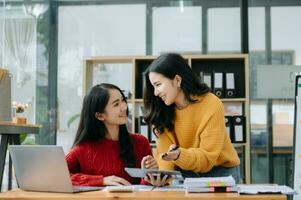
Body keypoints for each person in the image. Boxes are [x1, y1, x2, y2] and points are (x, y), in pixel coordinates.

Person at [143, 53, 241, 183]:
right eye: (153, 87)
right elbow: (166, 158)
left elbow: (207, 159)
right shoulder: (161, 111)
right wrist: (162, 178)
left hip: (220, 172)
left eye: (158, 84)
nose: (155, 93)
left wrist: (179, 155)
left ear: (177, 80)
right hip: (184, 173)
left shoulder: (211, 104)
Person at [65, 83, 158, 186]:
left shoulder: (140, 143)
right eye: (116, 104)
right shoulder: (81, 149)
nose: (124, 107)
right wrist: (101, 181)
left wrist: (151, 178)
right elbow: (56, 177)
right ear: (100, 115)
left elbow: (144, 189)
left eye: (123, 100)